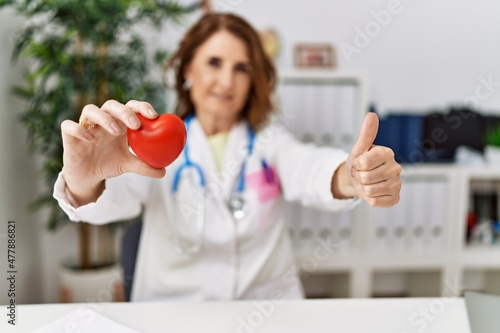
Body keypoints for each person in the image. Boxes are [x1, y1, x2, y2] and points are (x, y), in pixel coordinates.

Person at [53, 13, 401, 302]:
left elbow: (310, 169)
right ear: (187, 69)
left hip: (267, 313)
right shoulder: (151, 145)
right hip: (173, 314)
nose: (226, 80)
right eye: (214, 63)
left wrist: (352, 176)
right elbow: (109, 199)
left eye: (242, 68)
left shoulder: (270, 143)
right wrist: (84, 178)